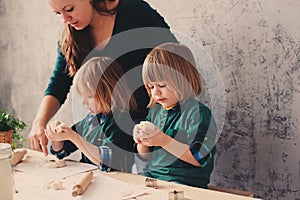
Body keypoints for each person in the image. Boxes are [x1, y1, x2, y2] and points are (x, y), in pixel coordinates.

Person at [28, 0, 177, 155]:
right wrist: (40, 123)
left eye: (69, 9)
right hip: (112, 130)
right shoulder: (72, 35)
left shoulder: (135, 12)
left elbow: (176, 61)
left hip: (150, 132)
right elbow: (59, 83)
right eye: (59, 13)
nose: (65, 20)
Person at [133, 42, 217, 188]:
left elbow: (199, 158)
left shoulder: (198, 113)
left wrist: (163, 140)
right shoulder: (155, 112)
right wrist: (141, 140)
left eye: (162, 85)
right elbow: (145, 156)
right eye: (151, 87)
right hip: (153, 179)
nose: (155, 93)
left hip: (183, 182)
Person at [45, 57, 137, 172]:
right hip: (91, 178)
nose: (83, 102)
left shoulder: (122, 122)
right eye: (82, 96)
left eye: (89, 96)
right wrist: (57, 137)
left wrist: (73, 137)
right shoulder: (90, 120)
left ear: (109, 92)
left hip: (115, 183)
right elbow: (61, 152)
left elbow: (107, 162)